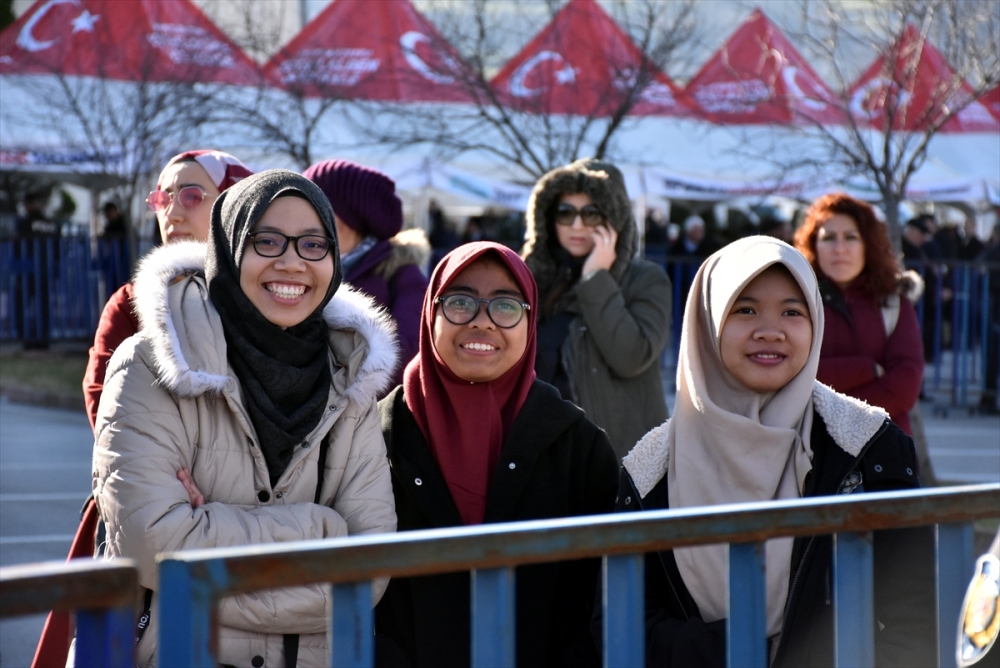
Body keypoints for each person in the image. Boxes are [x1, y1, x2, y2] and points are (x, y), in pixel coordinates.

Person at [91, 170, 398, 667]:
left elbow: (367, 574)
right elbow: (154, 547)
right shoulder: (152, 364)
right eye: (268, 240)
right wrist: (322, 531)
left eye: (313, 245)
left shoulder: (351, 379)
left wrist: (207, 532)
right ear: (229, 247)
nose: (292, 262)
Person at [614, 235, 934, 667]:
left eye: (791, 311)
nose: (770, 330)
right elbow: (626, 625)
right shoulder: (649, 472)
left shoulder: (868, 448)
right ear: (708, 325)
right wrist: (739, 653)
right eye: (744, 310)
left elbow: (915, 614)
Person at [375, 241, 619, 667]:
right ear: (430, 314)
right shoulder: (375, 436)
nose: (482, 323)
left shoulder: (578, 446)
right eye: (460, 302)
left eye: (505, 307)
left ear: (530, 322)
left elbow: (601, 601)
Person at [82, 149, 252, 429]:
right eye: (163, 198)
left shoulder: (271, 296)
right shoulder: (132, 303)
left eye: (192, 196)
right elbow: (104, 399)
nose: (171, 214)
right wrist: (161, 466)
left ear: (236, 205)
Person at [521, 158, 671, 461]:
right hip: (542, 458)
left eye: (591, 213)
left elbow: (631, 357)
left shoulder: (645, 279)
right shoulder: (532, 281)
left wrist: (595, 279)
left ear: (613, 219)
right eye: (565, 212)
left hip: (619, 463)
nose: (577, 225)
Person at [794, 193, 924, 435]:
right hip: (808, 454)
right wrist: (867, 369)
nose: (839, 249)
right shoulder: (794, 302)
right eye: (828, 238)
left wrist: (838, 417)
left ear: (868, 244)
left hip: (882, 454)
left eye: (851, 237)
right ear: (814, 245)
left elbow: (905, 385)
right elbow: (791, 376)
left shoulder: (893, 301)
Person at [304, 159, 428, 387]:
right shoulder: (301, 262)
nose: (306, 212)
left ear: (351, 216)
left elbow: (405, 356)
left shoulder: (402, 275)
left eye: (317, 202)